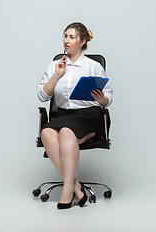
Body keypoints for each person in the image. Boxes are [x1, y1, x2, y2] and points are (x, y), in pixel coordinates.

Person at [37, 22, 113, 209]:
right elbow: (42, 95)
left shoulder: (93, 66)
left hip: (89, 115)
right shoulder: (55, 65)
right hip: (63, 115)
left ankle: (66, 192)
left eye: (72, 37)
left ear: (83, 41)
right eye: (65, 36)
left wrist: (102, 98)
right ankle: (76, 187)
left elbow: (108, 99)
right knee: (47, 132)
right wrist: (57, 75)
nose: (66, 41)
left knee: (65, 132)